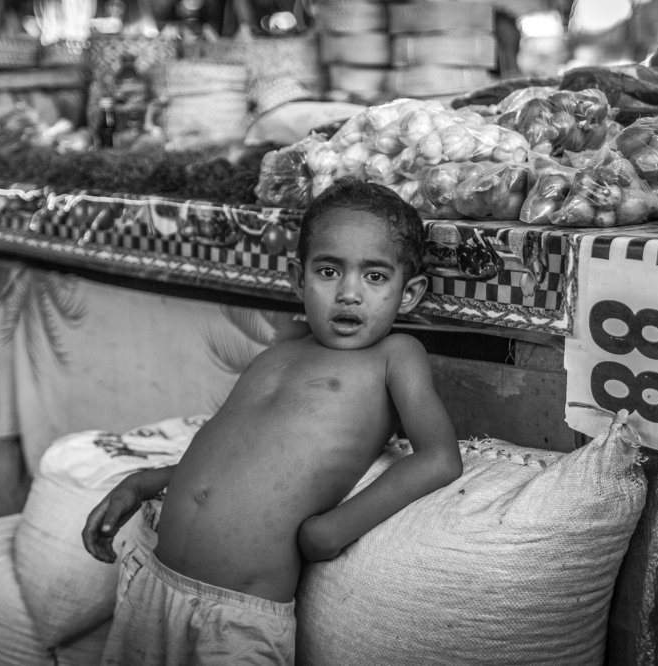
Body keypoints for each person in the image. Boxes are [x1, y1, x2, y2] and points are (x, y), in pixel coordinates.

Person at [81, 176, 463, 665]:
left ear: (408, 294)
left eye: (374, 276)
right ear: (298, 278)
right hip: (153, 583)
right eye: (329, 271)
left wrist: (333, 530)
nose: (349, 293)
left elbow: (439, 458)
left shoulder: (395, 355)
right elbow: (237, 458)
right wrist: (145, 481)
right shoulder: (277, 355)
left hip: (238, 616)